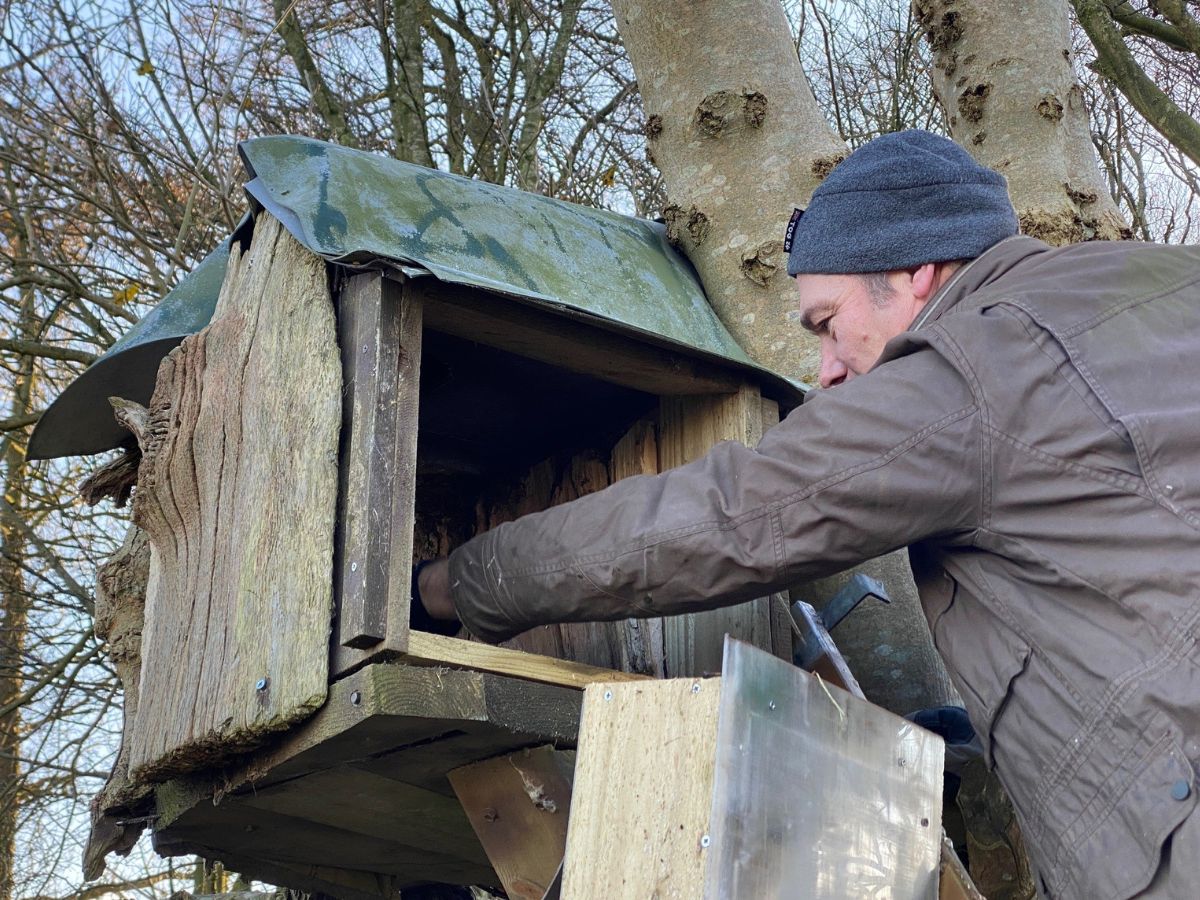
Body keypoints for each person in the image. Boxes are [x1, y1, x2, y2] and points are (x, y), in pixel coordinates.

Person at [415, 130, 1200, 899]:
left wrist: (452, 584)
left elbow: (725, 518)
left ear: (918, 271)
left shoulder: (975, 368)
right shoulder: (1169, 283)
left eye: (827, 322)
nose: (826, 369)